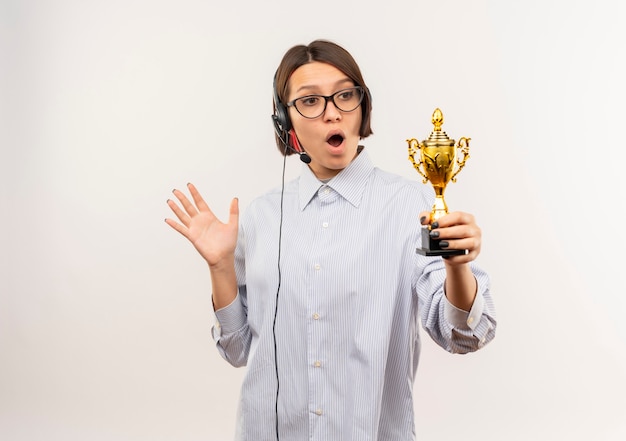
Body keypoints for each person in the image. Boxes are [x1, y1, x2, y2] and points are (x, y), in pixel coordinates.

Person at [165, 39, 496, 441]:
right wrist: (220, 267)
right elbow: (236, 351)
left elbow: (464, 335)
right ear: (285, 122)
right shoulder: (261, 215)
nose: (332, 113)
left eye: (344, 95)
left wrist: (457, 266)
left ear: (362, 108)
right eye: (309, 102)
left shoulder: (412, 203)